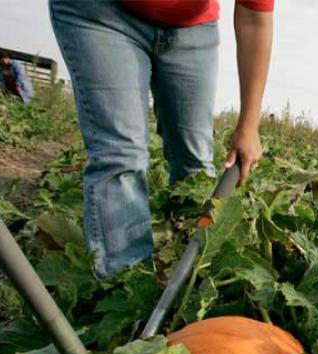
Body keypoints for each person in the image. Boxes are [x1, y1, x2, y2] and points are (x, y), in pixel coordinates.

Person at [49, 0, 274, 279]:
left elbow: (254, 18)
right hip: (100, 13)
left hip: (192, 28)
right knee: (121, 157)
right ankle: (129, 286)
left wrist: (249, 124)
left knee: (195, 164)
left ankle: (188, 278)